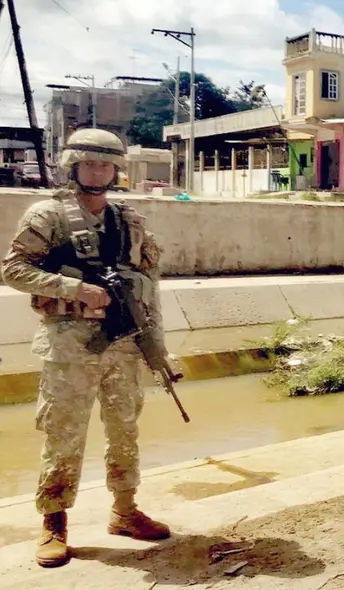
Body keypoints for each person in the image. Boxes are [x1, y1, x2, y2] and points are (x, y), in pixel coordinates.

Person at [0, 128, 171, 568]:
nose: (98, 172)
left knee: (125, 430)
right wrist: (74, 288)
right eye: (89, 164)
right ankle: (54, 523)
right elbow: (14, 270)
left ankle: (125, 511)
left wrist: (159, 347)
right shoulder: (48, 215)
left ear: (118, 171)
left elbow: (148, 287)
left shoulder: (130, 221)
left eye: (106, 164)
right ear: (73, 167)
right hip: (69, 345)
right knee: (63, 433)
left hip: (124, 344)